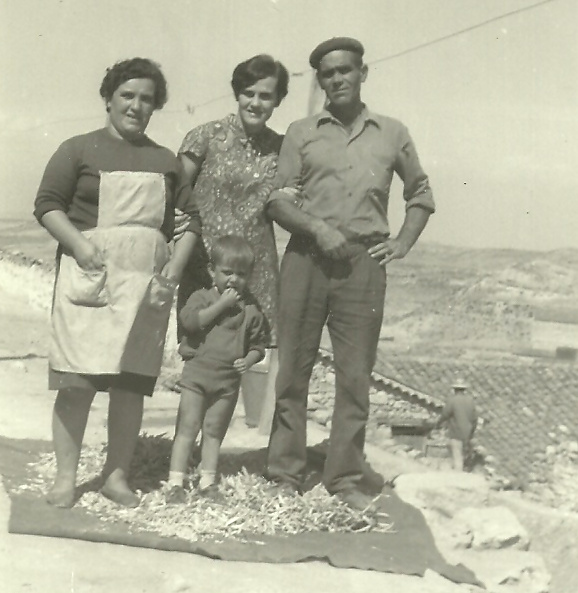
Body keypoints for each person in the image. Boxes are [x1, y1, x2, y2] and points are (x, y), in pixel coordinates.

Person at [265, 37, 436, 510]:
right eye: (328, 73)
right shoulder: (301, 132)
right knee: (292, 371)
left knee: (355, 376)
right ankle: (285, 472)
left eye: (346, 70)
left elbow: (421, 194)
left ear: (363, 72)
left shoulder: (392, 133)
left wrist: (402, 243)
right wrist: (317, 229)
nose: (337, 79)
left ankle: (343, 478)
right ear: (319, 80)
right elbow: (278, 200)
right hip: (306, 258)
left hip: (363, 265)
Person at [33, 57, 201, 508]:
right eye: (127, 95)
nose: (136, 106)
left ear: (155, 106)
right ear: (108, 99)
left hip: (144, 286)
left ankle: (116, 477)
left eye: (147, 99)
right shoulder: (77, 149)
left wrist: (173, 270)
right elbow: (47, 205)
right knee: (76, 384)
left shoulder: (165, 161)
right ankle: (65, 479)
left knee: (130, 386)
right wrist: (81, 247)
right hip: (90, 278)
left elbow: (190, 221)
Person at [175, 53, 289, 359]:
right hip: (206, 269)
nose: (255, 103)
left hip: (256, 273)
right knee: (200, 357)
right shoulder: (205, 137)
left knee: (252, 357)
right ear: (237, 93)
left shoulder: (282, 149)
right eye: (248, 93)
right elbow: (174, 193)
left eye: (266, 96)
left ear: (278, 100)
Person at [166, 235, 266, 502]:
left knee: (213, 431)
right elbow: (190, 322)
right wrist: (222, 305)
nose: (234, 279)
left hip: (227, 383)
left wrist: (249, 360)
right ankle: (175, 482)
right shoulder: (202, 297)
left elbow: (258, 345)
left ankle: (207, 481)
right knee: (187, 428)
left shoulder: (251, 310)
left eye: (241, 274)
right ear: (212, 271)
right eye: (227, 272)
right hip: (197, 377)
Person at [436, 378, 478, 471]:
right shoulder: (470, 401)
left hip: (456, 433)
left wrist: (438, 424)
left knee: (457, 457)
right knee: (465, 456)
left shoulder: (452, 400)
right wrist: (472, 432)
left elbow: (445, 415)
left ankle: (458, 474)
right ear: (464, 390)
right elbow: (475, 418)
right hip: (468, 434)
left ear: (454, 389)